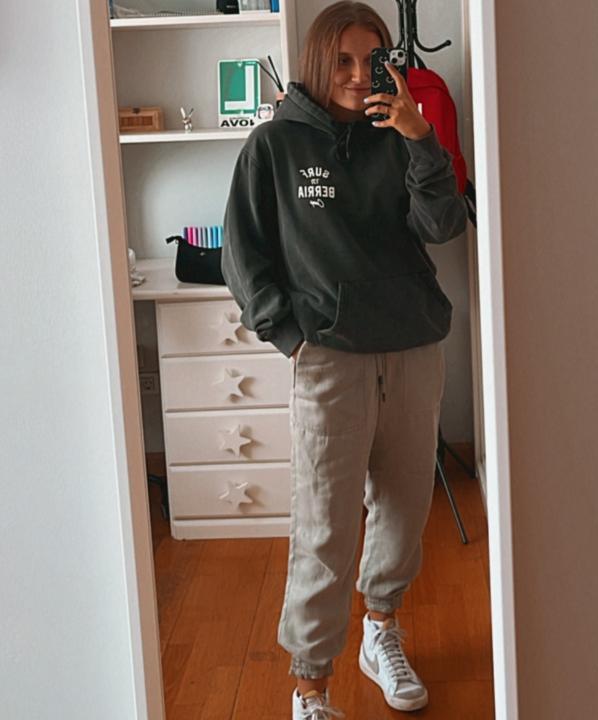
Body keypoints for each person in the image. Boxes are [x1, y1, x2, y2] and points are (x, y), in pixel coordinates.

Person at [222, 2, 467, 717]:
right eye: (345, 61)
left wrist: (420, 138)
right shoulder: (274, 145)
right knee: (325, 527)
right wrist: (290, 336)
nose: (361, 76)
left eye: (374, 59)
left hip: (412, 346)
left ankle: (380, 630)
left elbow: (443, 225)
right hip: (329, 358)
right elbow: (243, 253)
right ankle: (311, 685)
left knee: (403, 510)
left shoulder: (401, 135)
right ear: (317, 62)